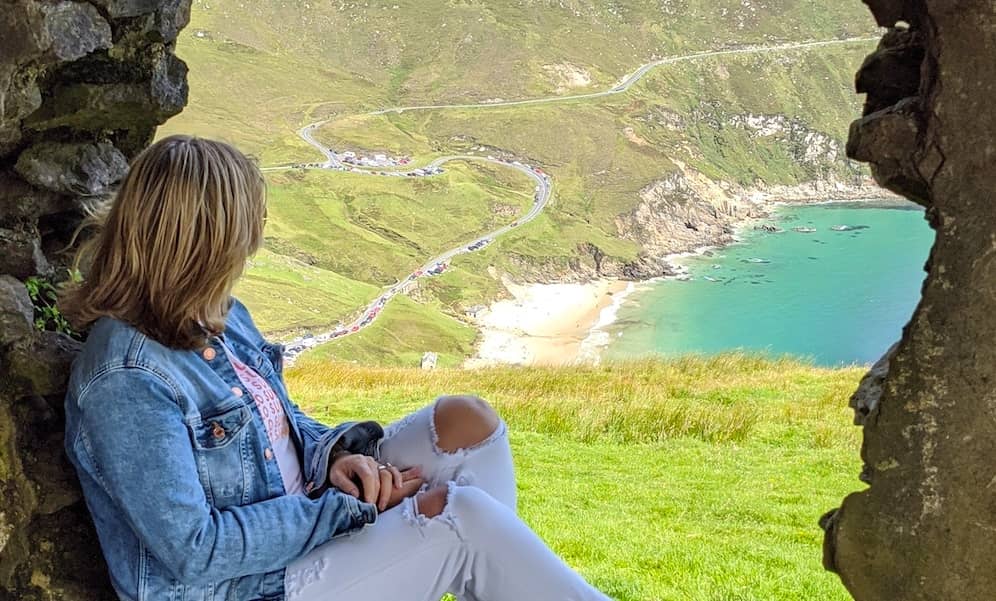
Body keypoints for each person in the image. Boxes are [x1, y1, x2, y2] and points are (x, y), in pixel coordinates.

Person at [58, 135, 612, 601]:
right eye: (247, 229)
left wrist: (337, 459)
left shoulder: (219, 316)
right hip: (250, 584)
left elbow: (278, 428)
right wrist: (340, 510)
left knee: (468, 422)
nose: (252, 246)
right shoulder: (126, 379)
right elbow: (195, 550)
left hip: (306, 507)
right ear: (205, 244)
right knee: (458, 517)